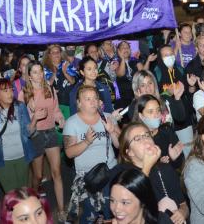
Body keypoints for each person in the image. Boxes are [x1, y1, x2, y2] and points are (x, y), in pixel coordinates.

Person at [105, 123, 188, 224]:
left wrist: (182, 212)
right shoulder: (119, 173)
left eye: (147, 135)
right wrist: (147, 167)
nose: (146, 140)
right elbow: (127, 203)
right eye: (138, 139)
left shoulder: (165, 168)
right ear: (129, 152)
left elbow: (183, 204)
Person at [64, 86, 121, 223]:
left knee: (111, 212)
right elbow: (69, 153)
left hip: (109, 172)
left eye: (95, 98)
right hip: (87, 178)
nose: (93, 102)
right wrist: (86, 142)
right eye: (88, 99)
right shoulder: (72, 122)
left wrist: (112, 130)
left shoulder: (107, 117)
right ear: (79, 103)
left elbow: (119, 145)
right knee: (90, 216)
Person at [23, 61, 67, 218]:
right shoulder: (25, 94)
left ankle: (62, 210)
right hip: (35, 136)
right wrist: (34, 118)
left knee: (57, 172)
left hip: (51, 133)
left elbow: (55, 110)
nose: (38, 75)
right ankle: (32, 203)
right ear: (29, 75)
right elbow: (26, 128)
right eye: (34, 72)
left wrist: (60, 119)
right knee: (38, 176)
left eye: (40, 71)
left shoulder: (49, 88)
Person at [0, 78, 38, 194]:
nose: (10, 93)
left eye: (11, 89)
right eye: (5, 90)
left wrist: (35, 119)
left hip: (22, 156)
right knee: (11, 195)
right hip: (2, 160)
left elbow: (28, 133)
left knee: (24, 192)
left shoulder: (20, 107)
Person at [130, 95, 184, 169]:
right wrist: (159, 164)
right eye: (150, 111)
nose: (156, 115)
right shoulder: (138, 140)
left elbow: (179, 162)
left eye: (158, 110)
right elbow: (141, 171)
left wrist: (173, 158)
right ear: (141, 116)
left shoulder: (167, 129)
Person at [42, 44, 78, 117]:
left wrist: (65, 73)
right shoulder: (45, 69)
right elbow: (47, 85)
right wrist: (54, 73)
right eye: (53, 53)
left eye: (58, 52)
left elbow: (73, 81)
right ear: (49, 55)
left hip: (69, 102)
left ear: (61, 53)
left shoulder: (66, 64)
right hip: (54, 103)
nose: (56, 54)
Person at [115, 41, 142, 109]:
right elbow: (121, 74)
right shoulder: (115, 62)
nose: (125, 49)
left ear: (130, 50)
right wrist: (123, 59)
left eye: (127, 47)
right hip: (124, 99)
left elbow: (143, 73)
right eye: (123, 48)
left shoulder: (135, 61)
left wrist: (147, 61)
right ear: (118, 51)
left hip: (137, 95)